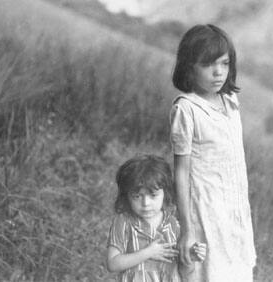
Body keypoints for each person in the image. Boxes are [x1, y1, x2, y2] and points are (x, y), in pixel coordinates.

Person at [170, 24, 257, 282]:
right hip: (205, 213)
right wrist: (187, 229)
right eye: (208, 64)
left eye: (224, 63)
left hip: (235, 212)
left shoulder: (230, 101)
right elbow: (181, 172)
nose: (218, 72)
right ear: (189, 67)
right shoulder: (186, 109)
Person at [107, 155, 207, 282]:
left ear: (165, 193)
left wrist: (189, 257)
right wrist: (148, 252)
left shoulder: (174, 224)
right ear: (126, 196)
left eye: (153, 196)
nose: (146, 203)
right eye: (137, 196)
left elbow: (185, 273)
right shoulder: (124, 222)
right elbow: (112, 264)